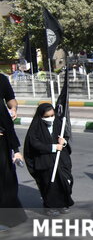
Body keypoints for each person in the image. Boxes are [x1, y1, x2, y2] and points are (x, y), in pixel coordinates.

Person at [23, 103, 74, 216]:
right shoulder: (35, 127)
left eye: (52, 115)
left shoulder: (58, 123)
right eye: (46, 116)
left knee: (66, 180)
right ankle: (49, 207)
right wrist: (53, 147)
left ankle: (63, 203)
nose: (50, 118)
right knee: (49, 184)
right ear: (40, 116)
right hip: (45, 161)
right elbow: (34, 144)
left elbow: (65, 135)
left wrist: (63, 142)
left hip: (61, 160)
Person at [0, 74, 27, 229]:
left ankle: (8, 216)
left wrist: (13, 108)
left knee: (7, 178)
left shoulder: (2, 79)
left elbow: (11, 99)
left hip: (3, 139)